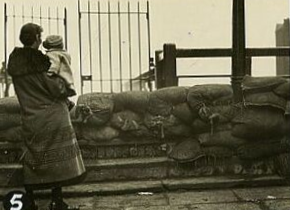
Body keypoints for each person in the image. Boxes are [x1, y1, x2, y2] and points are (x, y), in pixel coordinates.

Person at [7, 23, 86, 210]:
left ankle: (30, 202)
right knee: (56, 160)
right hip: (52, 115)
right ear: (36, 39)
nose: (41, 40)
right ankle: (56, 201)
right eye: (39, 37)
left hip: (30, 116)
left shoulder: (16, 63)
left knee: (32, 158)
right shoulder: (41, 63)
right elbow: (57, 89)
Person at [43, 35, 76, 110]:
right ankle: (67, 103)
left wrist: (49, 73)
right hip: (66, 79)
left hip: (57, 78)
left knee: (50, 93)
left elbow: (54, 65)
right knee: (61, 95)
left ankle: (64, 104)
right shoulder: (65, 54)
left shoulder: (52, 54)